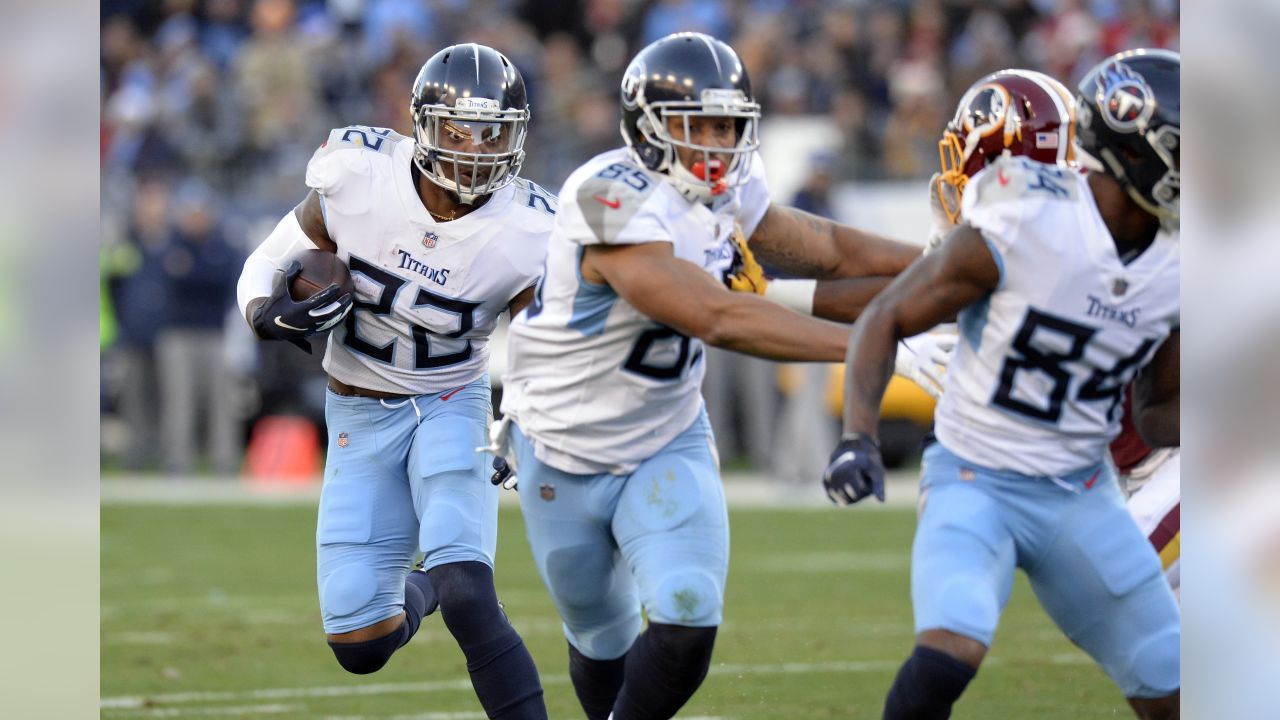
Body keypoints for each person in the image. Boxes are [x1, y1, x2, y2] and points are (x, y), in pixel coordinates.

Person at [494, 32, 923, 720]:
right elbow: (714, 316)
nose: (719, 143)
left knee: (688, 613)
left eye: (729, 125)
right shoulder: (610, 196)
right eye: (700, 126)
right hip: (558, 445)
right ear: (649, 126)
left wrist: (943, 261)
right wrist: (864, 346)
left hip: (666, 433)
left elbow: (832, 250)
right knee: (601, 639)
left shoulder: (725, 192)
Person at [823, 49, 1181, 719]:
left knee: (1173, 683)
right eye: (1182, 151)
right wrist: (858, 438)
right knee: (950, 644)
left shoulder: (1178, 263)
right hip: (976, 477)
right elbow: (888, 312)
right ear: (1136, 150)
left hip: (1081, 493)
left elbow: (1159, 415)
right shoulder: (1024, 210)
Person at [235, 44, 551, 720]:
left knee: (468, 588)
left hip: (450, 403)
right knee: (358, 642)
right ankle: (424, 588)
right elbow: (264, 265)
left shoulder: (529, 227)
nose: (474, 147)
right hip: (356, 415)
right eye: (458, 129)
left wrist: (519, 417)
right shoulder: (360, 177)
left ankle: (447, 581)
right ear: (420, 125)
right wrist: (271, 316)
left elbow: (540, 340)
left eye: (493, 130)